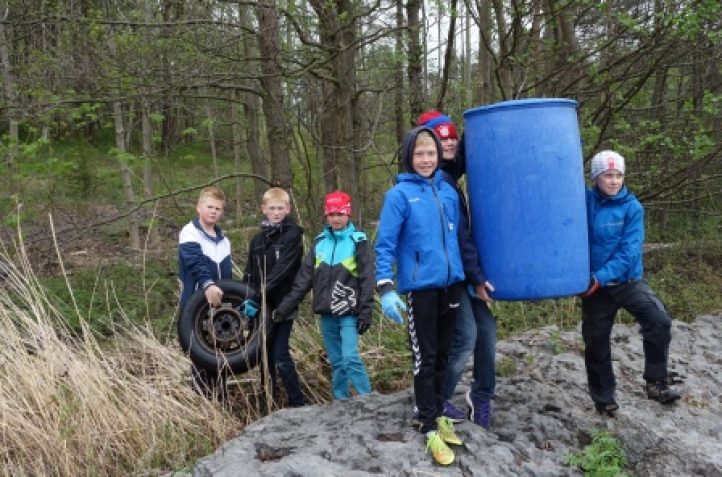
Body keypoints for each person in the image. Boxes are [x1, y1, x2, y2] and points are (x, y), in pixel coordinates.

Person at [375, 127, 466, 466]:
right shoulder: (399, 195)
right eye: (420, 154)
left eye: (431, 153)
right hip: (420, 288)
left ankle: (440, 410)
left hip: (451, 284)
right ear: (409, 157)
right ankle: (427, 426)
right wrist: (385, 287)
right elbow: (384, 243)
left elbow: (457, 237)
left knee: (444, 354)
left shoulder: (448, 191)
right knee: (424, 358)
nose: (427, 160)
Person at [581, 150, 682, 417]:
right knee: (596, 342)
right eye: (607, 175)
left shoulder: (632, 208)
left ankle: (656, 383)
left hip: (626, 281)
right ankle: (604, 399)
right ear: (595, 177)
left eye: (618, 175)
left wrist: (598, 277)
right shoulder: (583, 201)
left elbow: (629, 252)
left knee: (658, 320)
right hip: (595, 289)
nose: (614, 181)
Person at [417, 110, 498, 429]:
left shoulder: (449, 172)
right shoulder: (436, 182)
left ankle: (481, 396)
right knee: (466, 336)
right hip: (452, 276)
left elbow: (459, 155)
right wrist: (478, 279)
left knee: (487, 334)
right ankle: (435, 400)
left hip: (464, 272)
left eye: (452, 136)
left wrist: (475, 125)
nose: (449, 142)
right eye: (441, 137)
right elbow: (461, 236)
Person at [274, 191, 374, 400]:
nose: (336, 218)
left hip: (349, 311)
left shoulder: (359, 241)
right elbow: (303, 281)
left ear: (348, 214)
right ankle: (341, 400)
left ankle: (369, 400)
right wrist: (284, 307)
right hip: (326, 313)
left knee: (350, 357)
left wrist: (366, 311)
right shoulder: (319, 243)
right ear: (326, 215)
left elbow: (367, 279)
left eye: (340, 213)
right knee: (337, 361)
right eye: (331, 214)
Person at [243, 187, 306, 408]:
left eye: (280, 208)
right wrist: (246, 298)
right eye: (272, 208)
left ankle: (298, 402)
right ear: (264, 209)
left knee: (280, 354)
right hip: (262, 307)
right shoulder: (258, 241)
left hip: (284, 304)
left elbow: (281, 272)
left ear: (288, 209)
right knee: (264, 355)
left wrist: (257, 296)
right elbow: (250, 273)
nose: (276, 212)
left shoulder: (292, 236)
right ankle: (268, 402)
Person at [178, 186, 233, 399]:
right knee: (201, 357)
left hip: (220, 307)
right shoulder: (189, 232)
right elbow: (194, 262)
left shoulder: (224, 240)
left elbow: (227, 277)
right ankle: (203, 403)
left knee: (220, 356)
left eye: (218, 209)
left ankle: (221, 401)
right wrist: (208, 284)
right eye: (209, 207)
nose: (213, 211)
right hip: (195, 305)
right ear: (199, 207)